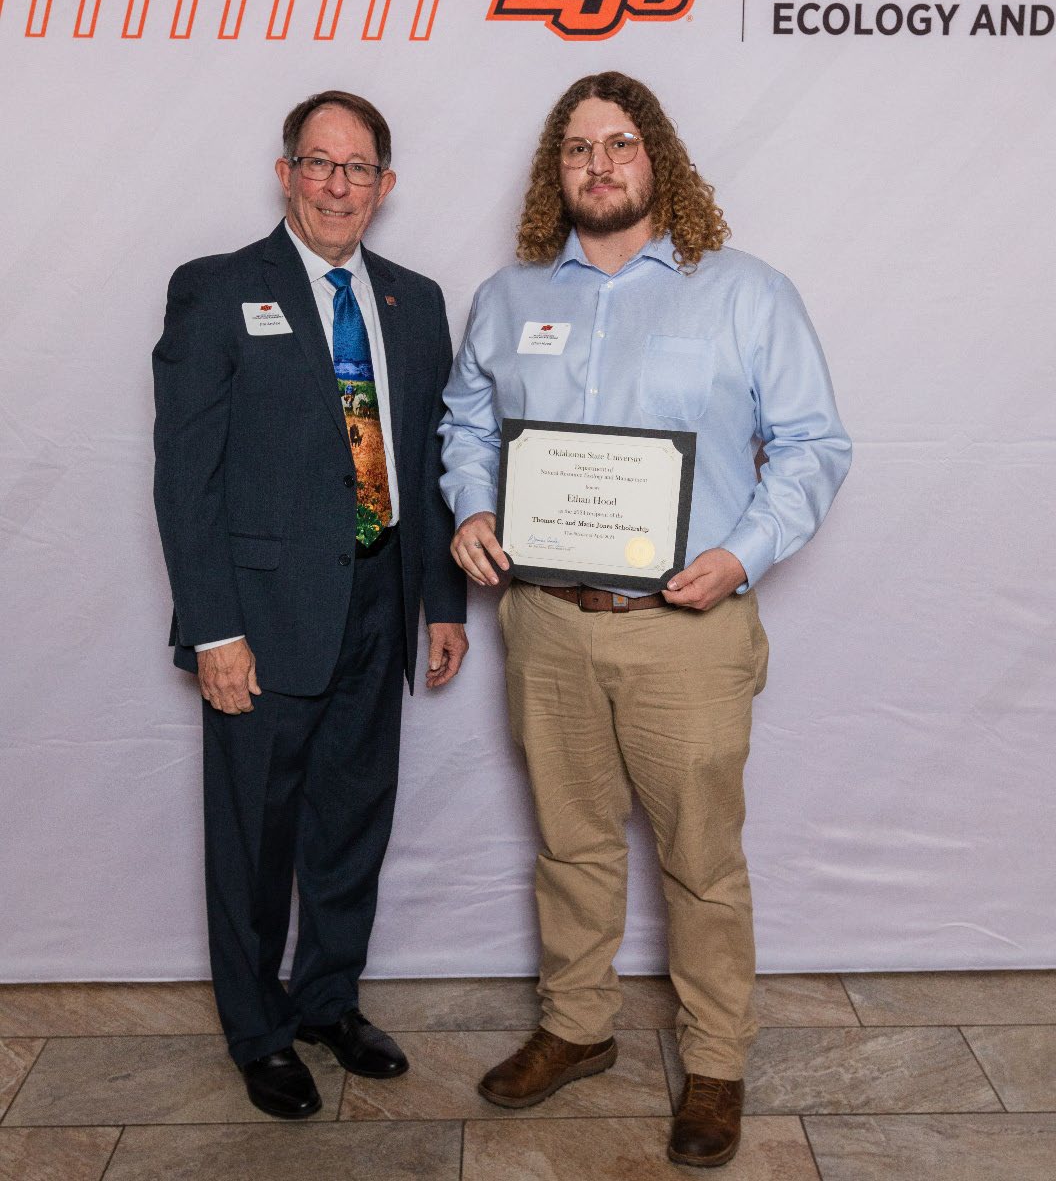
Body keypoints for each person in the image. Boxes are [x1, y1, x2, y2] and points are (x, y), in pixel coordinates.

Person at [439, 72, 850, 1168]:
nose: (600, 165)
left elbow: (813, 446)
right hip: (547, 625)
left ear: (655, 158)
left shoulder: (746, 292)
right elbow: (466, 421)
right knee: (569, 846)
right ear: (555, 171)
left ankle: (714, 1062)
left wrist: (740, 553)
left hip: (688, 628)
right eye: (577, 149)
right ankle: (577, 1029)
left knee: (701, 859)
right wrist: (473, 505)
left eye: (620, 144)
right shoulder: (509, 296)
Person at [153, 90, 467, 1119]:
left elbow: (426, 460)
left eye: (360, 166)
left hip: (379, 600)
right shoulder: (215, 290)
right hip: (261, 616)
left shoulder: (414, 302)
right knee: (255, 838)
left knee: (350, 821)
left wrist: (443, 603)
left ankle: (329, 999)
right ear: (286, 172)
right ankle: (259, 1030)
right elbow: (185, 478)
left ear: (386, 183)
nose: (340, 184)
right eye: (320, 163)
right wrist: (213, 628)